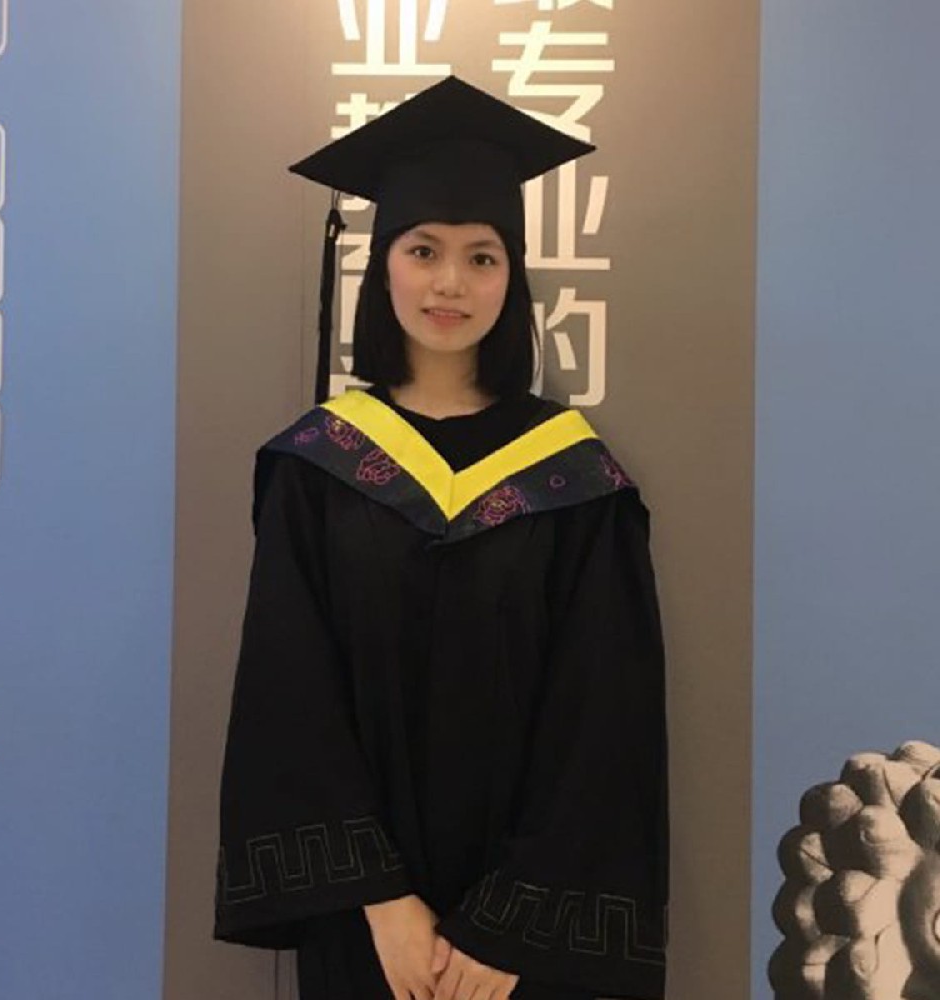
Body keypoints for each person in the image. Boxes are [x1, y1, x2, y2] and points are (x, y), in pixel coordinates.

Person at [214, 77, 668, 1000]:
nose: (450, 283)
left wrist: (511, 926)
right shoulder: (319, 465)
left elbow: (604, 716)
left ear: (514, 277)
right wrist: (382, 900)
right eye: (423, 250)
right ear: (383, 265)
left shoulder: (574, 478)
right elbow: (288, 692)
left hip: (522, 949)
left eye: (481, 257)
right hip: (369, 930)